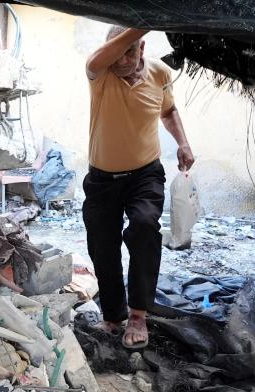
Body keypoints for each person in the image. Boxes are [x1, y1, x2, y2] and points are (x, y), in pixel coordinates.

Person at [82, 26, 194, 349]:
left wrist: (183, 142)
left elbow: (168, 110)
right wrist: (143, 21)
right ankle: (112, 316)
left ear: (142, 48)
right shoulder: (100, 72)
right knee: (102, 245)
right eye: (115, 52)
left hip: (145, 175)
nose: (121, 61)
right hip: (102, 180)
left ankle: (138, 316)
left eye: (129, 52)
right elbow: (96, 60)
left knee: (144, 227)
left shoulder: (159, 73)